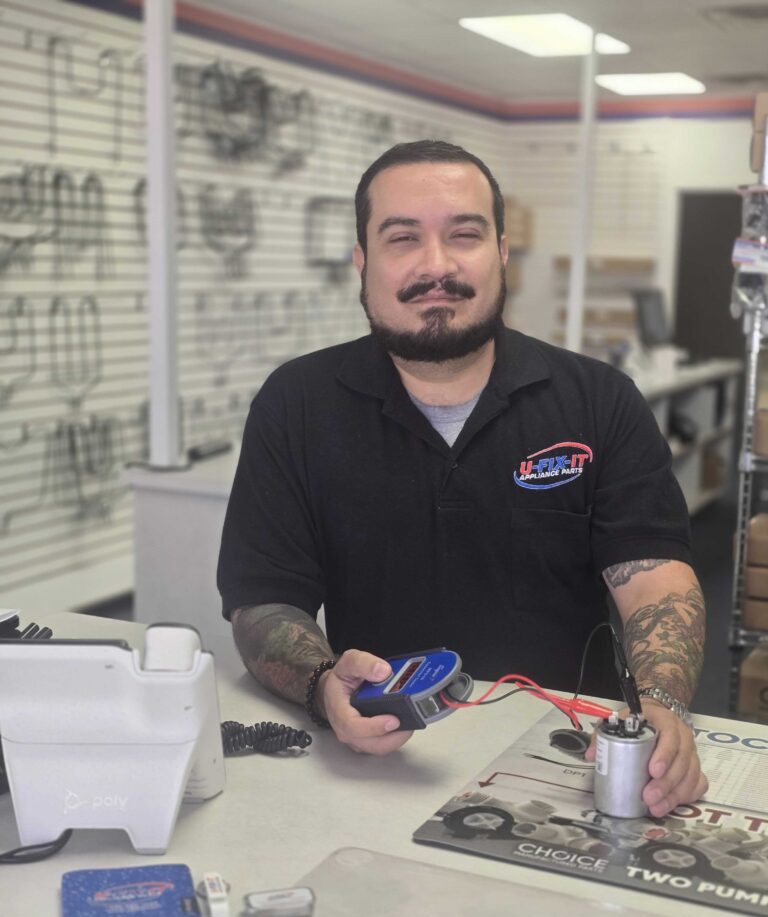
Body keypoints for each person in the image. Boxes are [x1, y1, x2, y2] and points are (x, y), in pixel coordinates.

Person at [217, 139, 707, 818]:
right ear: (362, 261)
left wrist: (662, 703)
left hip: (573, 759)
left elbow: (655, 580)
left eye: (464, 235)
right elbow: (264, 601)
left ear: (502, 253)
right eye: (402, 238)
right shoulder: (296, 404)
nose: (436, 265)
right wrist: (324, 685)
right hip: (382, 754)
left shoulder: (600, 401)